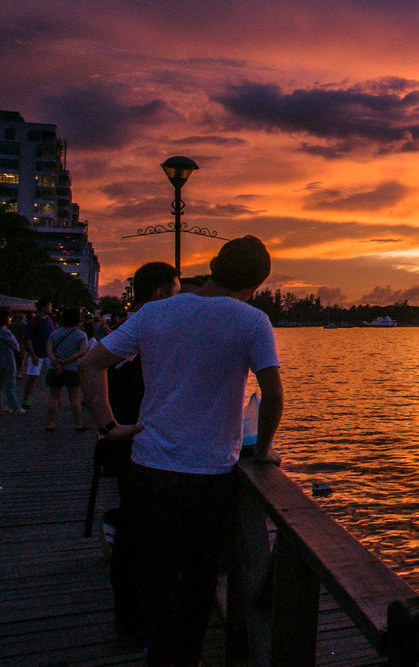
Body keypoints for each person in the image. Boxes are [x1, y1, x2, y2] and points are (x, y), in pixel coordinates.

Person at [81, 236, 283, 667]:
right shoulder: (252, 321)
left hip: (149, 467)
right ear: (254, 287)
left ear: (213, 267)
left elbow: (90, 363)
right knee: (199, 578)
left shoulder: (155, 312)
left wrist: (108, 426)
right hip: (210, 475)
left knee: (155, 576)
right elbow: (273, 394)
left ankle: (160, 654)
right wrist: (263, 449)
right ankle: (187, 657)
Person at [101, 261, 181, 641]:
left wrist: (107, 427)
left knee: (137, 532)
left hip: (130, 444)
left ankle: (134, 616)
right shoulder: (145, 328)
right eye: (177, 292)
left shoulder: (128, 330)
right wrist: (111, 426)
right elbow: (89, 366)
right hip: (135, 447)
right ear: (162, 294)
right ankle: (135, 619)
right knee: (138, 535)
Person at [46, 307, 89, 430]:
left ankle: (50, 423)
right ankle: (78, 423)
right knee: (74, 397)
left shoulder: (54, 333)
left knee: (53, 396)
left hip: (54, 369)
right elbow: (82, 352)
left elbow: (48, 350)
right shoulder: (81, 335)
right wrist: (66, 361)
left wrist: (56, 362)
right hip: (73, 369)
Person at [21, 298, 54, 410]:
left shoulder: (50, 320)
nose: (51, 308)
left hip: (49, 354)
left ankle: (54, 399)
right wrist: (33, 355)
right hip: (37, 354)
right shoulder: (34, 322)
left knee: (53, 378)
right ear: (43, 307)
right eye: (49, 305)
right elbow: (28, 340)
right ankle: (26, 399)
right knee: (32, 378)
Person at [0, 307, 24, 414]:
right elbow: (16, 346)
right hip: (8, 361)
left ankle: (2, 405)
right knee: (10, 386)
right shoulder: (6, 332)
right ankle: (14, 406)